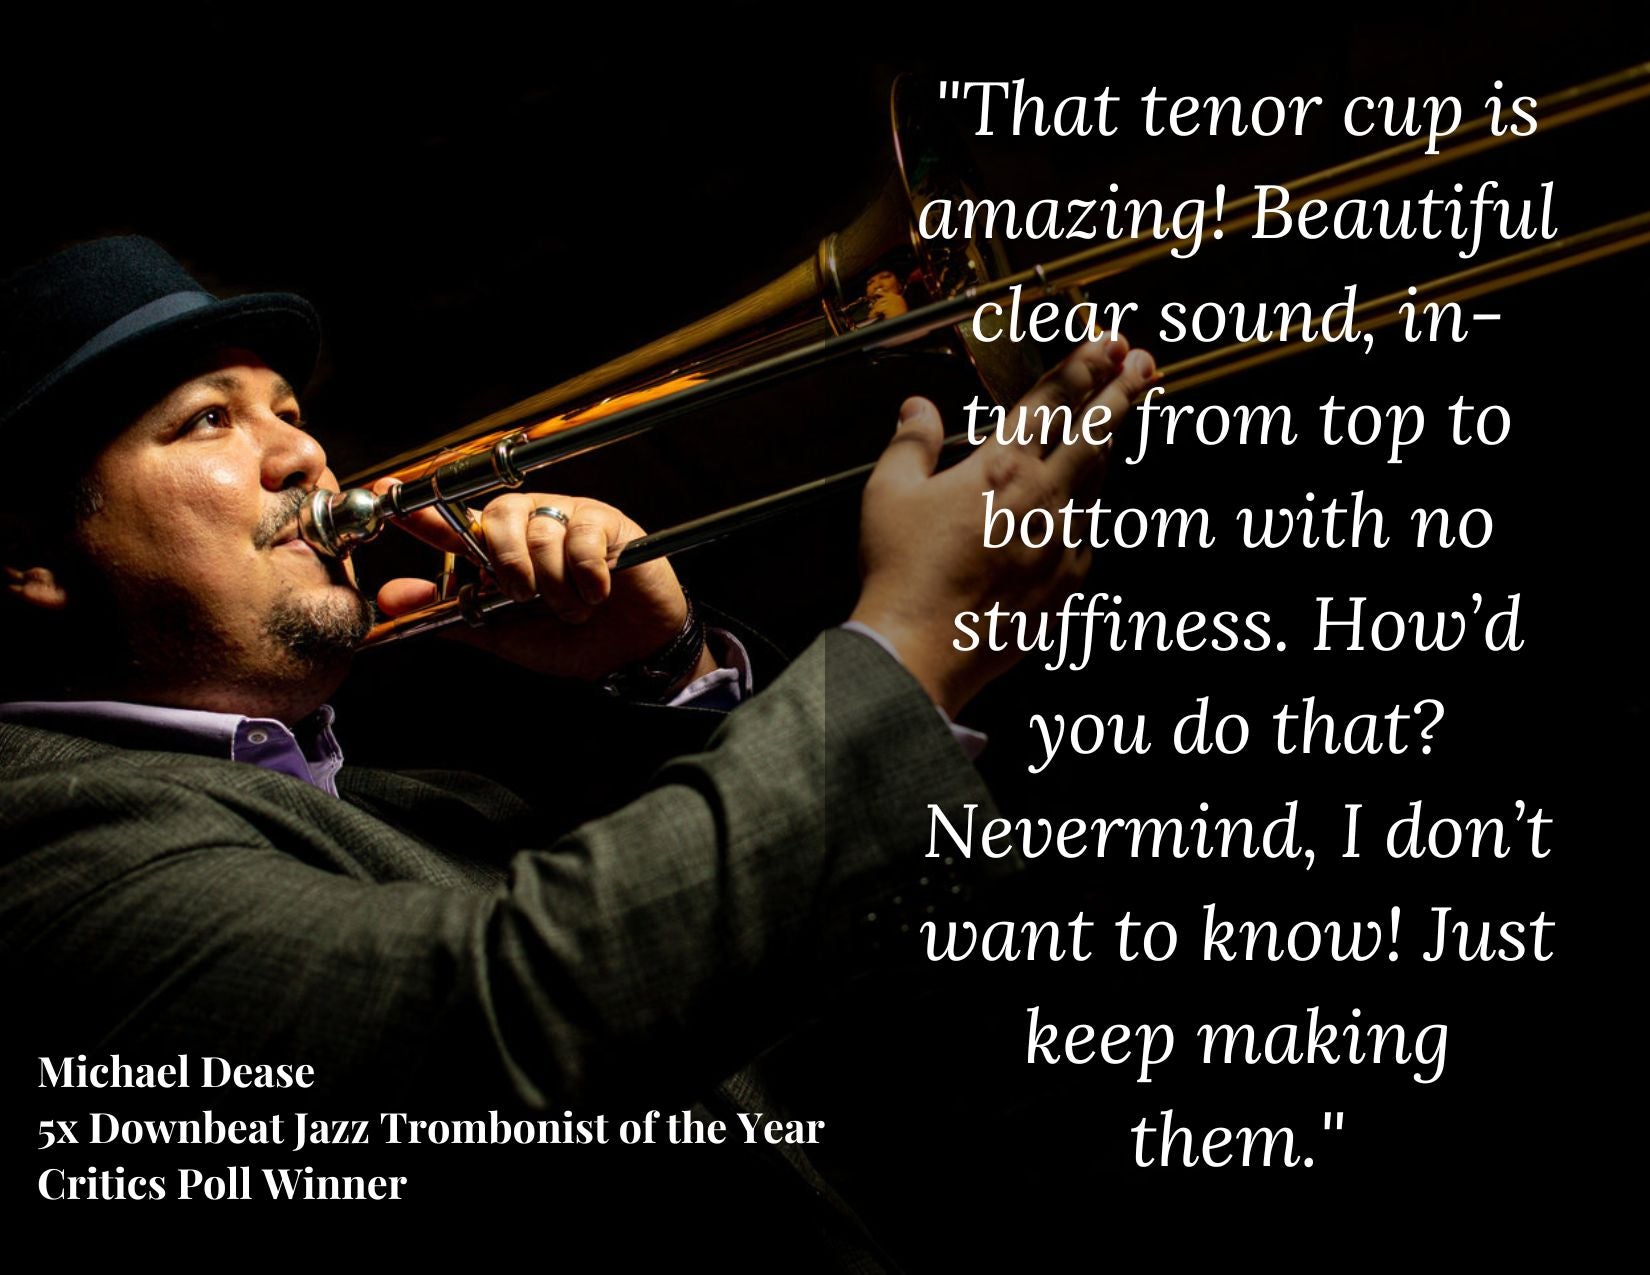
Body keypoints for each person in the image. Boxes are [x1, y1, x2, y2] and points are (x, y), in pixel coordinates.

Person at [0, 236, 1152, 1258]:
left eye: (290, 412)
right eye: (209, 418)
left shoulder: (437, 807)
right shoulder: (36, 849)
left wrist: (668, 670)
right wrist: (905, 652)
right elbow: (501, 1029)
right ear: (31, 559)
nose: (306, 457)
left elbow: (873, 1025)